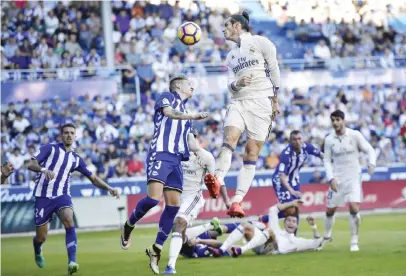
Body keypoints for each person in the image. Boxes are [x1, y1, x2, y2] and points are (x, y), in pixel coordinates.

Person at [119, 76, 209, 274]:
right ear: (178, 85)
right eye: (188, 83)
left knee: (173, 206)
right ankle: (129, 224)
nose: (192, 85)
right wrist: (193, 116)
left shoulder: (186, 112)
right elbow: (168, 113)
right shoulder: (167, 96)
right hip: (161, 153)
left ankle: (156, 249)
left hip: (176, 160)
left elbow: (192, 144)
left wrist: (209, 157)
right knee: (152, 199)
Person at [204, 11, 281, 218]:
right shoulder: (230, 56)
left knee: (251, 153)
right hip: (239, 101)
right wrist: (237, 84)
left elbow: (274, 71)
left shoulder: (261, 42)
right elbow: (230, 85)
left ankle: (237, 201)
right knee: (229, 139)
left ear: (237, 26)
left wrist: (275, 101)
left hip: (261, 102)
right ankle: (217, 179)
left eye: (226, 26)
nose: (224, 30)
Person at [28, 123, 120, 275]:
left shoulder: (76, 159)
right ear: (61, 135)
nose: (69, 135)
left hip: (62, 195)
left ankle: (72, 261)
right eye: (66, 133)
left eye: (72, 133)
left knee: (69, 218)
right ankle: (37, 247)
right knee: (41, 237)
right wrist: (44, 169)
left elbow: (93, 178)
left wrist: (109, 188)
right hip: (42, 196)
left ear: (75, 136)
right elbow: (31, 164)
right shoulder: (49, 149)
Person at [163, 130, 217, 274]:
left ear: (195, 138)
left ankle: (170, 266)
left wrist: (214, 188)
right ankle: (209, 226)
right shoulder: (173, 154)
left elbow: (215, 181)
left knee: (179, 223)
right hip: (176, 196)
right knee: (180, 234)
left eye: (189, 137)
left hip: (192, 197)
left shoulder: (205, 157)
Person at [323, 110, 376, 252]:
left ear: (343, 121)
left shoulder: (355, 135)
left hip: (353, 177)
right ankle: (327, 235)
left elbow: (369, 149)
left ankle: (354, 241)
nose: (335, 123)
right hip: (337, 178)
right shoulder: (329, 139)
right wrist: (331, 178)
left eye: (338, 120)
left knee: (354, 207)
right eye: (333, 120)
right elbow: (327, 161)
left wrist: (372, 163)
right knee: (330, 210)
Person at [210, 199, 323, 257]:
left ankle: (240, 250)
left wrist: (313, 226)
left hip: (272, 249)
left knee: (268, 231)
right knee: (245, 226)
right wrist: (291, 203)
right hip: (260, 244)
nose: (291, 223)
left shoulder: (298, 241)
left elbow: (317, 243)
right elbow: (274, 210)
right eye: (289, 220)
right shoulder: (277, 229)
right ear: (284, 222)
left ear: (297, 225)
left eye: (294, 221)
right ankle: (222, 250)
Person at [259, 130, 323, 228]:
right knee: (289, 209)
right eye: (294, 139)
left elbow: (321, 155)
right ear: (290, 141)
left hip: (294, 179)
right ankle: (264, 219)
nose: (297, 142)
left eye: (299, 139)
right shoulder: (286, 154)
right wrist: (292, 191)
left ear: (303, 139)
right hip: (280, 181)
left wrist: (332, 160)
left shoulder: (307, 147)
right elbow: (282, 176)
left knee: (295, 209)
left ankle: (292, 238)